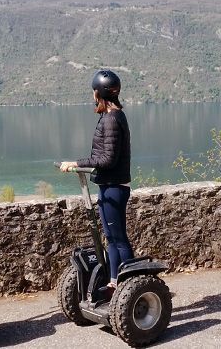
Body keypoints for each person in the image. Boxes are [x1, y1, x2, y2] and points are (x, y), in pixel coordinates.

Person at [60, 69, 133, 292]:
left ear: (98, 93)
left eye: (94, 91)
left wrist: (76, 163)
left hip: (114, 187)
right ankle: (114, 282)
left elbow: (107, 159)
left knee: (118, 238)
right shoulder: (112, 115)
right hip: (109, 185)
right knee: (111, 237)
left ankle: (132, 284)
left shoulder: (111, 119)